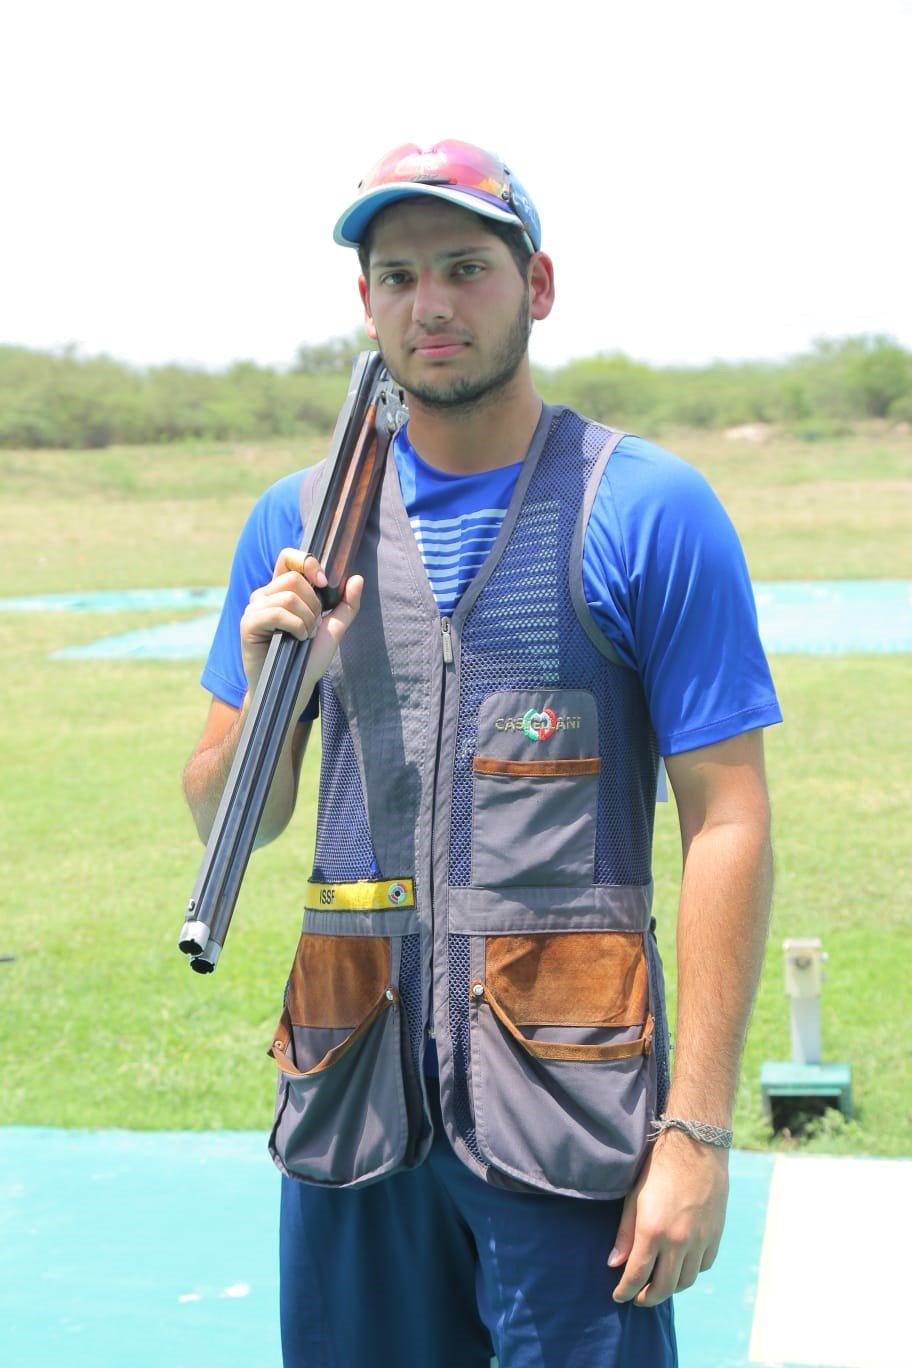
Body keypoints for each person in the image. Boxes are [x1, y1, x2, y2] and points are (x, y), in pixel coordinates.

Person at [183, 140, 782, 1368]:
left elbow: (728, 820)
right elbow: (221, 812)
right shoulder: (299, 523)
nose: (431, 304)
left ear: (537, 285)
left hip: (569, 1106)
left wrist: (697, 1134)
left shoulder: (646, 505)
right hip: (352, 1102)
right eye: (396, 276)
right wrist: (268, 675)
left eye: (465, 266)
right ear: (366, 306)